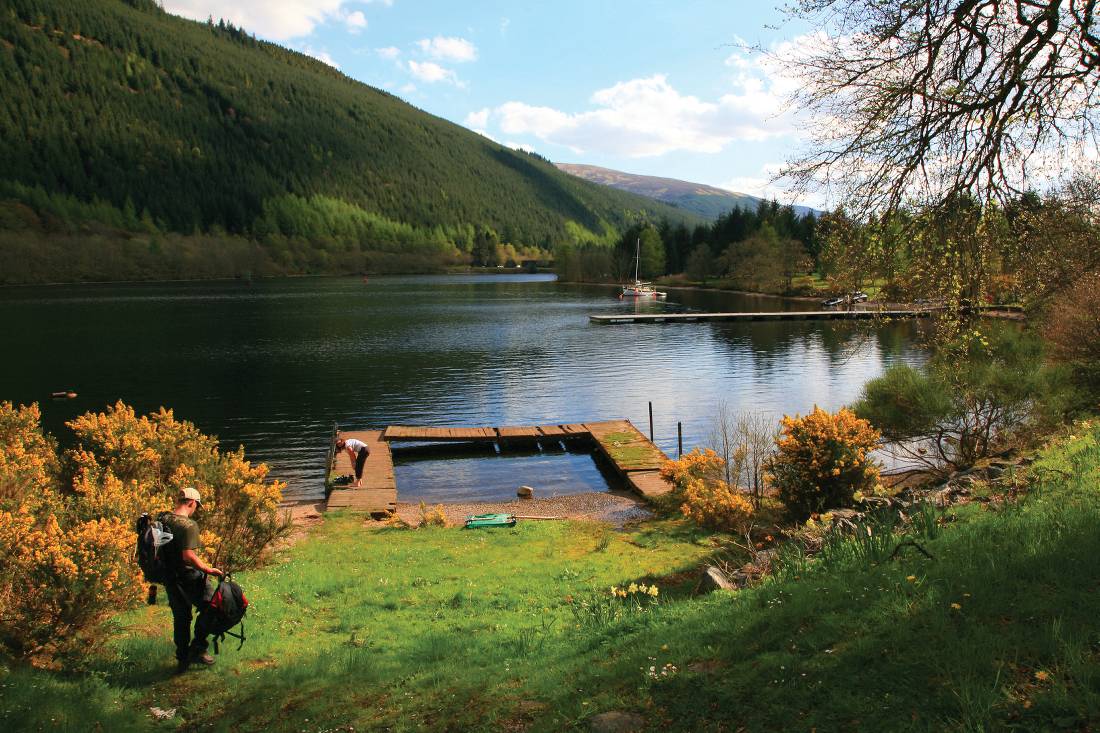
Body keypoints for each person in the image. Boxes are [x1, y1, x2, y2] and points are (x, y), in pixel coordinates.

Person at [160, 487, 223, 673]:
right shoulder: (188, 526)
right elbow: (187, 556)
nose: (196, 509)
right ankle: (198, 648)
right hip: (187, 576)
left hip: (169, 576)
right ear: (191, 503)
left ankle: (182, 658)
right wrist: (207, 569)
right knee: (214, 606)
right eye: (197, 505)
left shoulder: (162, 519)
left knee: (181, 616)